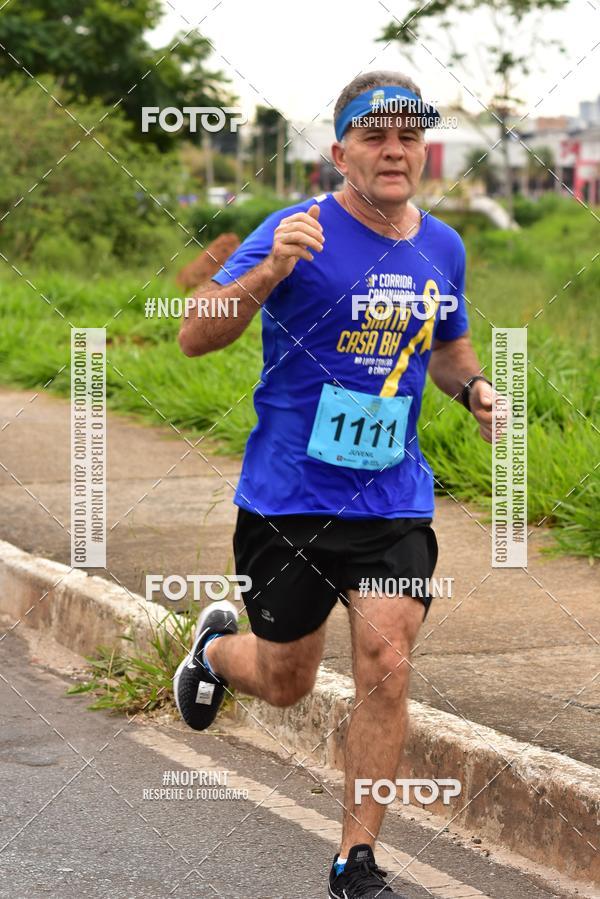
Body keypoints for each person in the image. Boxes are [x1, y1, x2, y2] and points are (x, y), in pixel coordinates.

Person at [174, 70, 495, 899]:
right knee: (289, 680)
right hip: (288, 499)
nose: (395, 150)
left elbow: (446, 349)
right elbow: (193, 335)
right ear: (340, 148)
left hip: (392, 499)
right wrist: (268, 271)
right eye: (376, 135)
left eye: (409, 136)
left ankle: (355, 859)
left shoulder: (444, 246)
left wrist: (477, 393)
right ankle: (212, 650)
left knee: (388, 655)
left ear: (423, 148)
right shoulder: (296, 226)